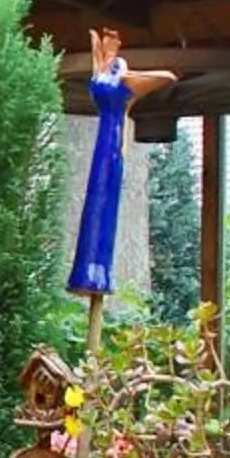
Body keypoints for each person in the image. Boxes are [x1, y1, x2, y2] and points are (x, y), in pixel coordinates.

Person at [67, 28, 177, 311]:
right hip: (109, 141)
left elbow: (165, 77)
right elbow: (163, 78)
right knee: (101, 195)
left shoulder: (113, 105)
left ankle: (94, 270)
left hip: (112, 140)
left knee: (104, 194)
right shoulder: (109, 92)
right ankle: (92, 269)